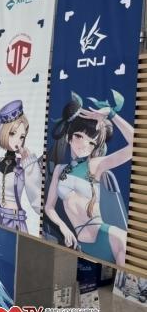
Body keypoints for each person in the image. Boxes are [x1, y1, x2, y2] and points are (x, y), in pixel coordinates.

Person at [44, 92, 132, 265]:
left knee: (126, 280)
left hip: (106, 236)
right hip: (81, 242)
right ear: (69, 137)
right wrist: (63, 227)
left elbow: (136, 145)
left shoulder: (95, 165)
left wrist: (111, 114)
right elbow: (49, 207)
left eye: (91, 142)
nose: (84, 145)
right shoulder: (60, 169)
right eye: (79, 136)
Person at [0, 100, 42, 234]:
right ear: (4, 132)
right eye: (12, 133)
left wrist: (30, 164)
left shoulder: (24, 165)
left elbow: (37, 200)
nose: (17, 140)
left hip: (16, 224)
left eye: (22, 136)